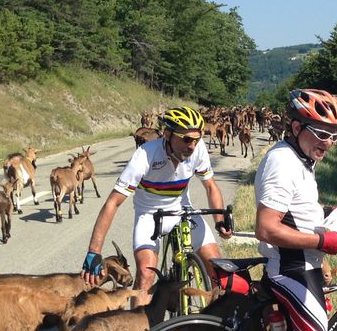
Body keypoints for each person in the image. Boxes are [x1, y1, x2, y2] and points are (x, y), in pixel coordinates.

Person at [81, 106, 232, 290]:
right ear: (167, 134)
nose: (192, 146)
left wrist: (220, 221)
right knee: (146, 274)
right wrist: (94, 251)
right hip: (150, 213)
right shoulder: (145, 155)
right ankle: (138, 319)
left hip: (182, 208)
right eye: (185, 139)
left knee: (216, 266)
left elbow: (211, 187)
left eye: (196, 139)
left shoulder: (197, 149)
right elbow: (113, 202)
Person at [253, 89, 337, 331]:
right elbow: (266, 228)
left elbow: (295, 211)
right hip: (290, 269)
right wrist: (322, 242)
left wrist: (330, 218)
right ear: (296, 127)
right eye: (322, 133)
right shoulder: (283, 163)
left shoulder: (303, 158)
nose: (329, 143)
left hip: (305, 264)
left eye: (335, 136)